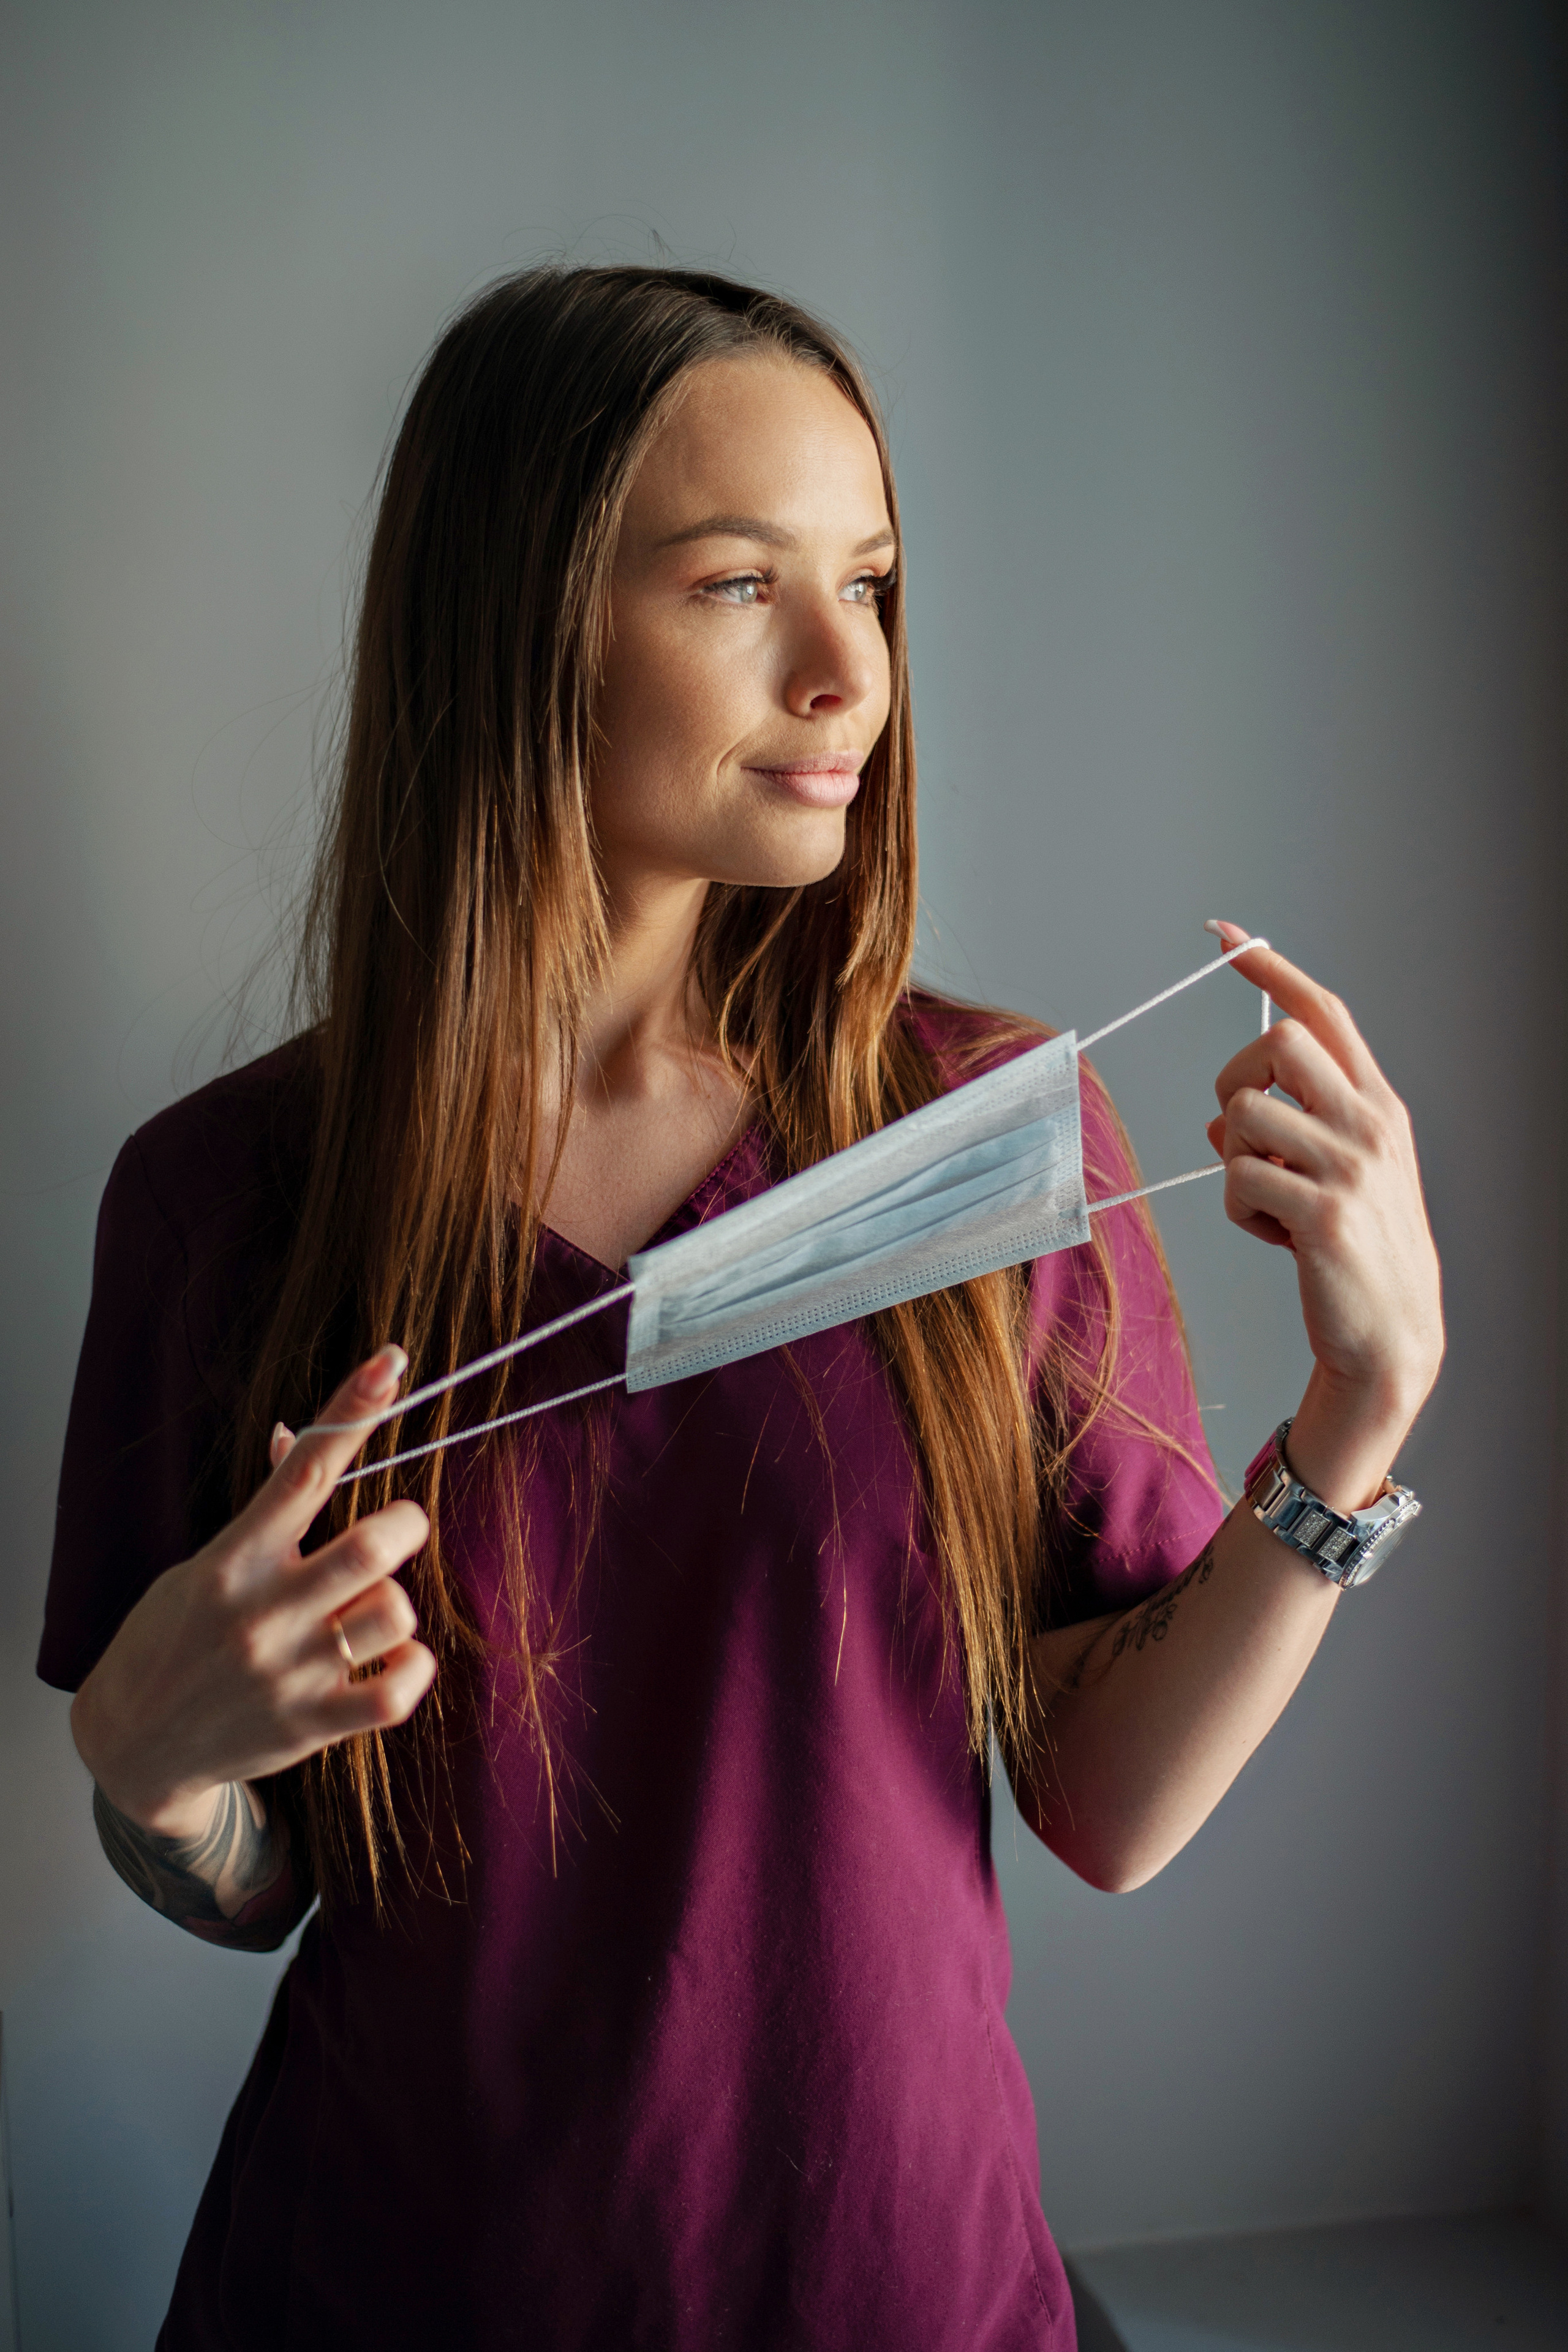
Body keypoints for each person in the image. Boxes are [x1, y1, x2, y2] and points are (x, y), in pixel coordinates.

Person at [39, 266, 1442, 2351]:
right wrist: (151, 1782)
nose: (848, 677)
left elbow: (1105, 1809)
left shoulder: (988, 1132)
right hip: (384, 2289)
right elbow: (266, 1887)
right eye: (736, 586)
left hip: (906, 2294)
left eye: (870, 585)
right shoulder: (221, 1199)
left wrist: (1363, 1402)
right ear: (521, 627)